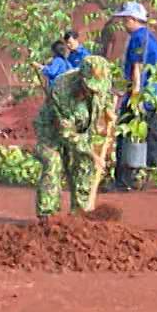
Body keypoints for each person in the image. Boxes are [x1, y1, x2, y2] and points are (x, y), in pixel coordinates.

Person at [107, 1, 157, 191]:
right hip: (152, 97)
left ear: (133, 19)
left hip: (142, 98)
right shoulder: (151, 39)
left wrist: (134, 96)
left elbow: (137, 68)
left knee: (131, 135)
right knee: (151, 138)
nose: (124, 23)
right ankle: (133, 178)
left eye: (125, 19)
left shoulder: (138, 39)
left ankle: (124, 181)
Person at [34, 54, 117, 220]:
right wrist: (93, 155)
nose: (94, 91)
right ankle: (47, 216)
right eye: (90, 88)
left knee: (84, 166)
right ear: (81, 78)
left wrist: (108, 111)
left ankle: (80, 214)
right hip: (52, 132)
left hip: (82, 129)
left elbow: (105, 96)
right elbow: (66, 133)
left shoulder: (102, 79)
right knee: (53, 164)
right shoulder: (61, 89)